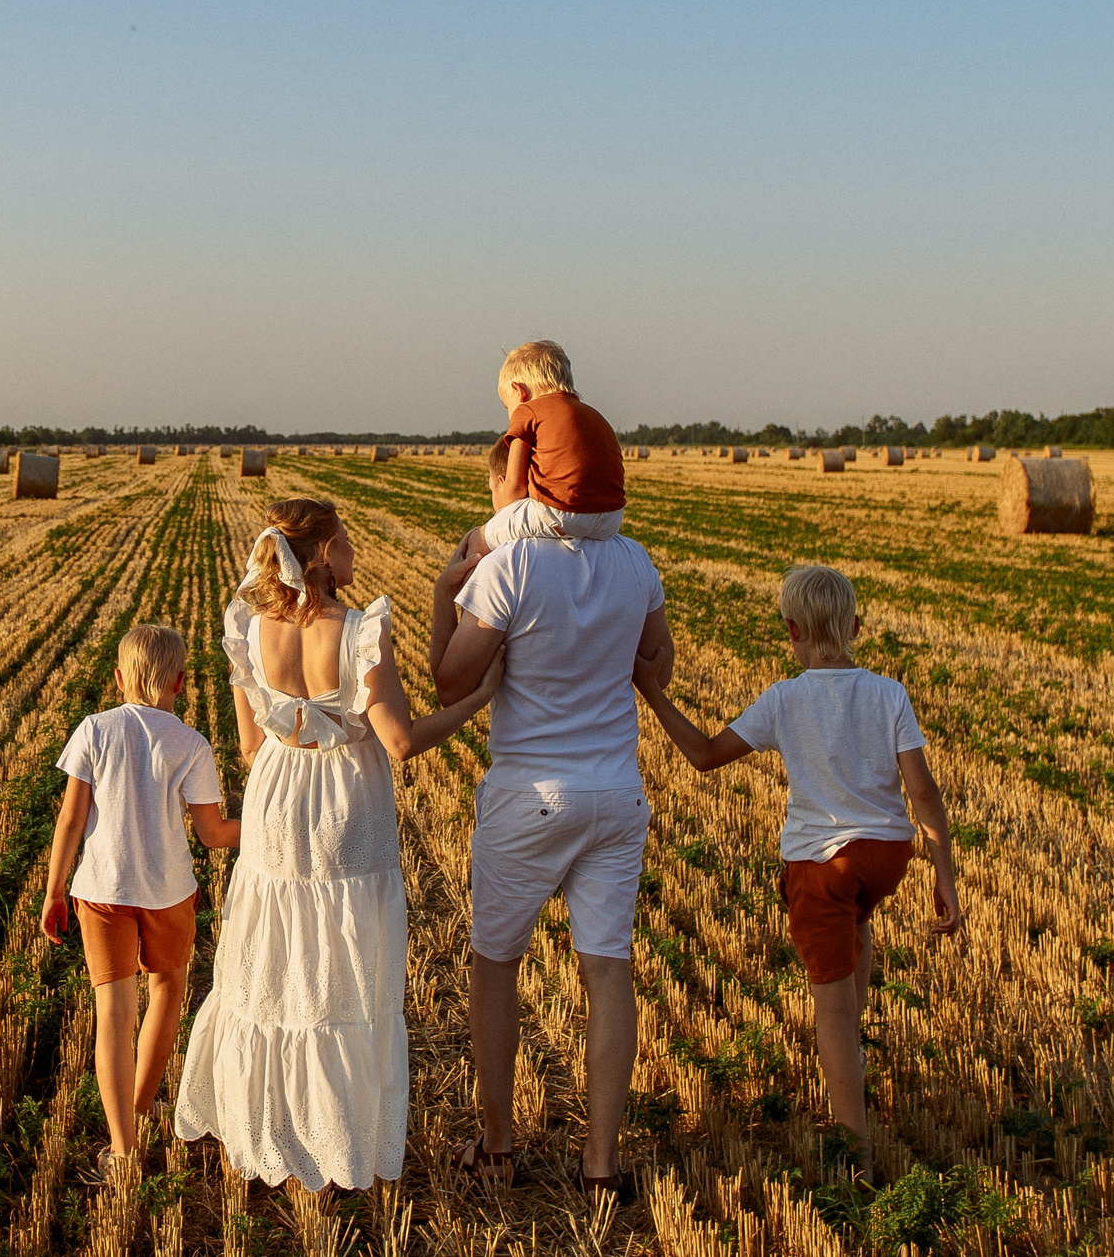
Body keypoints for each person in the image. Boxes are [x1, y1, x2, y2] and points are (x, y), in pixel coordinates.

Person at [174, 499, 503, 1191]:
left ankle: (268, 1128)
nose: (354, 551)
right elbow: (402, 740)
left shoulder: (249, 625)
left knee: (274, 965)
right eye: (346, 540)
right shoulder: (357, 632)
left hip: (275, 797)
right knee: (342, 972)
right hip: (343, 804)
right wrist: (477, 702)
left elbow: (248, 744)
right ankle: (331, 1139)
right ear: (322, 552)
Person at [632, 563, 962, 1153]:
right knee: (858, 925)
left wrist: (652, 691)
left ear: (791, 630)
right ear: (857, 626)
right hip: (887, 856)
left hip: (822, 868)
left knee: (830, 1014)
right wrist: (945, 874)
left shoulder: (785, 700)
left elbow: (705, 755)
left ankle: (852, 1151)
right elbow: (924, 792)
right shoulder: (889, 693)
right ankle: (855, 1062)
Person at [432, 432, 670, 1201]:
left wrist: (448, 596)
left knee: (495, 963)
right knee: (608, 970)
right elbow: (657, 664)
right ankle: (602, 1163)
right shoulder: (636, 563)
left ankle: (498, 1143)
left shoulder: (512, 565)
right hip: (617, 795)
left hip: (530, 795)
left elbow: (450, 681)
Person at [39, 624, 243, 1170]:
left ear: (119, 678)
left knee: (113, 1014)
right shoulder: (191, 744)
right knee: (169, 989)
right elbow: (213, 834)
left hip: (101, 892)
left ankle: (124, 1148)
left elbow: (70, 819)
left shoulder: (95, 730)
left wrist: (54, 891)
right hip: (169, 892)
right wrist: (275, 821)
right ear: (181, 681)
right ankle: (141, 1105)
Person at [477, 339, 626, 548]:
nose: (510, 413)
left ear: (519, 391)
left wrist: (502, 517)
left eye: (506, 406)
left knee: (481, 537)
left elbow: (514, 489)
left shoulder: (527, 410)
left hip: (562, 514)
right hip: (611, 521)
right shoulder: (595, 415)